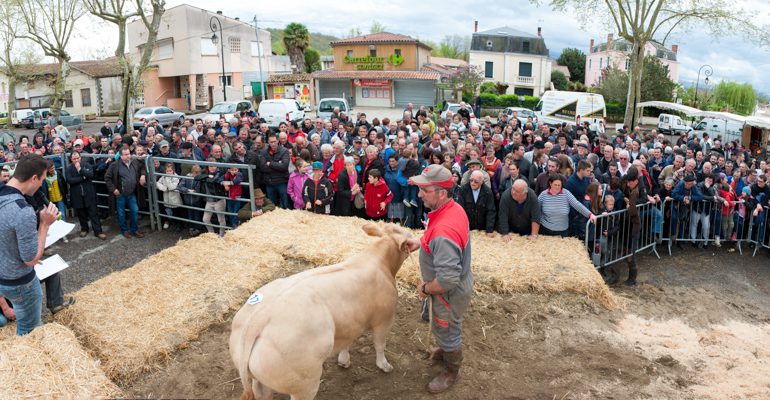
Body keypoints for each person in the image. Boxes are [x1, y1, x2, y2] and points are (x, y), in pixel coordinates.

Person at [409, 164, 472, 394]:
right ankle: (445, 351)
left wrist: (426, 288)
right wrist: (421, 242)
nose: (419, 194)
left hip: (447, 293)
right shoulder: (452, 209)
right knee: (444, 327)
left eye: (425, 190)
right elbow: (435, 234)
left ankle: (451, 370)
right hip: (453, 287)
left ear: (442, 193)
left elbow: (447, 279)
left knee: (447, 330)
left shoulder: (444, 231)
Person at [0, 154, 64, 335]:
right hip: (20, 282)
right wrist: (44, 224)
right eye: (42, 179)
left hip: (3, 276)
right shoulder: (23, 210)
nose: (40, 186)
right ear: (34, 178)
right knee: (30, 330)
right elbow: (30, 259)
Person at [105, 147, 146, 238]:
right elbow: (107, 177)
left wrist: (143, 175)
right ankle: (124, 230)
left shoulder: (134, 162)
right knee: (121, 213)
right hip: (120, 194)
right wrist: (113, 189)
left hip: (132, 193)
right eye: (126, 154)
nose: (128, 156)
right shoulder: (115, 165)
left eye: (129, 153)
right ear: (121, 156)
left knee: (135, 210)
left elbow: (142, 167)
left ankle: (134, 230)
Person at [66, 152, 105, 239]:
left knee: (94, 213)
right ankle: (84, 229)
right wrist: (82, 178)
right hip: (77, 195)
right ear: (71, 160)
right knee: (81, 214)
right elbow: (70, 180)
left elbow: (90, 175)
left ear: (80, 158)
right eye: (74, 159)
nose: (76, 160)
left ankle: (98, 231)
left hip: (89, 193)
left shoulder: (86, 165)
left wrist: (80, 170)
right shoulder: (69, 169)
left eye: (77, 158)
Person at [455, 170, 496, 236]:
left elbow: (491, 211)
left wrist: (489, 230)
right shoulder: (463, 190)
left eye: (476, 181)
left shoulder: (488, 192)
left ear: (482, 182)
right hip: (467, 228)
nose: (472, 183)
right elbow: (460, 210)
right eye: (471, 180)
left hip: (482, 229)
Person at [155, 162, 183, 230]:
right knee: (168, 211)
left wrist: (167, 179)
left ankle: (179, 224)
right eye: (167, 171)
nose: (168, 172)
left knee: (176, 212)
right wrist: (164, 188)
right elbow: (157, 183)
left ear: (173, 170)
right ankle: (171, 222)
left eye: (170, 171)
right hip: (167, 197)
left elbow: (172, 187)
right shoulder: (163, 176)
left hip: (174, 198)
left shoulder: (176, 177)